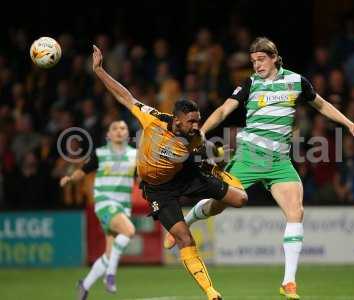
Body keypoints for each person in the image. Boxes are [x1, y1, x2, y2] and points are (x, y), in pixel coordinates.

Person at [165, 37, 354, 300]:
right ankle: (189, 219)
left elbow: (321, 103)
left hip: (279, 162)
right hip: (249, 156)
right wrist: (201, 131)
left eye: (261, 60)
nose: (256, 65)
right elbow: (226, 109)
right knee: (218, 205)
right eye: (253, 61)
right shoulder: (250, 84)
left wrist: (349, 123)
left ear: (274, 57)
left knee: (296, 212)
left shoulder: (296, 81)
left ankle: (288, 283)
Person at [92, 45, 247, 300]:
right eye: (192, 121)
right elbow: (126, 97)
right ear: (176, 120)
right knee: (185, 239)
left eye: (198, 120)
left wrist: (220, 156)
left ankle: (194, 215)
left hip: (188, 175)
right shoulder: (153, 119)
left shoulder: (195, 137)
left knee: (241, 199)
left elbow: (207, 151)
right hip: (159, 190)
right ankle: (211, 292)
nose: (197, 125)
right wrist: (99, 71)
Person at [59, 120, 137, 299]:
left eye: (123, 128)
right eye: (115, 128)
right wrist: (70, 178)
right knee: (129, 230)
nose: (119, 131)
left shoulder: (135, 155)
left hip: (123, 207)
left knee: (109, 254)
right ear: (108, 135)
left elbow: (141, 178)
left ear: (127, 134)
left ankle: (84, 285)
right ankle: (110, 275)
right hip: (105, 202)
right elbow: (84, 171)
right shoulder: (100, 153)